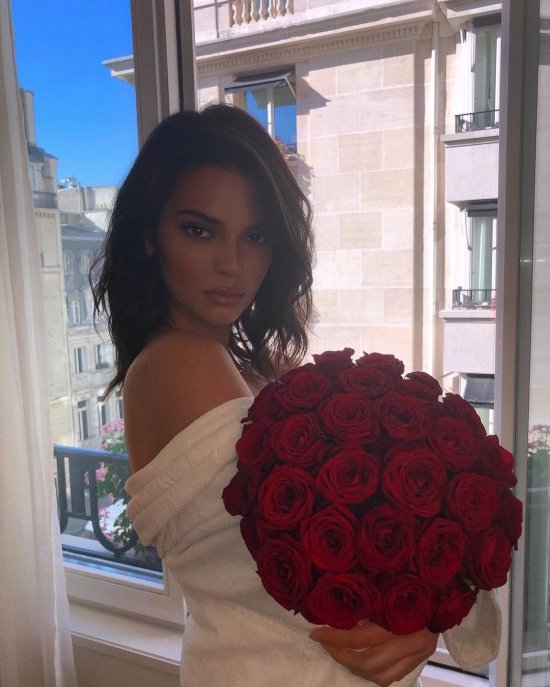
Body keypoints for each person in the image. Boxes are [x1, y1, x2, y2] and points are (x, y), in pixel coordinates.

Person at [91, 104, 501, 687]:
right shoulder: (179, 360)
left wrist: (423, 598)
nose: (231, 264)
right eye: (199, 230)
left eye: (255, 236)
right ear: (148, 237)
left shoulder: (255, 365)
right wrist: (424, 602)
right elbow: (299, 568)